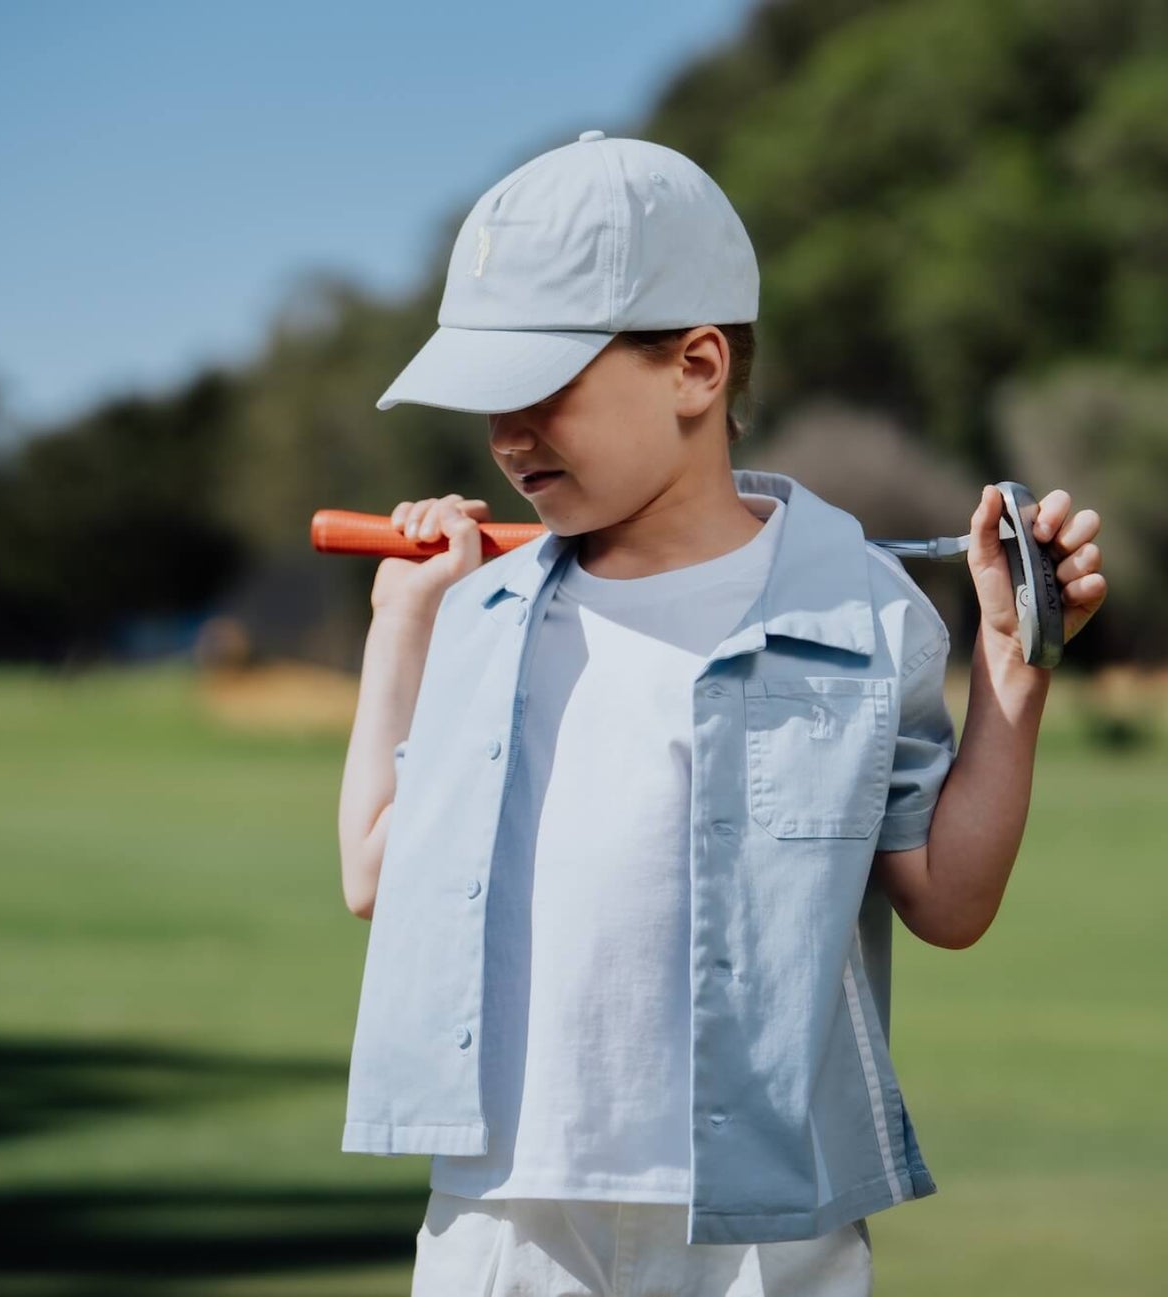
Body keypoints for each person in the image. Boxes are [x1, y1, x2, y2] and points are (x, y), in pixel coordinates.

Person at [336, 130, 1107, 1296]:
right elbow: (374, 878)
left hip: (759, 1231)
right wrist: (402, 625)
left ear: (696, 368)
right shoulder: (480, 612)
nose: (504, 436)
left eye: (539, 388)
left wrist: (1014, 665)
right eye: (482, 397)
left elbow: (947, 900)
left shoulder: (859, 607)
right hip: (504, 1220)